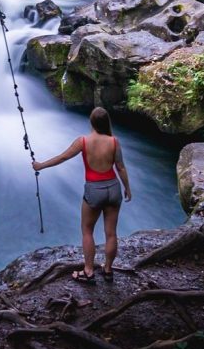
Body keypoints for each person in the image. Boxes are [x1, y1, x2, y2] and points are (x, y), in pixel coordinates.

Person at [32, 107, 132, 283]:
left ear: (91, 122)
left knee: (87, 231)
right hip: (113, 188)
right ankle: (108, 270)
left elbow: (62, 158)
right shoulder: (114, 141)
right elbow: (121, 167)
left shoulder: (83, 141)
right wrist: (127, 188)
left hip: (94, 190)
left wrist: (41, 165)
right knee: (111, 233)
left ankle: (88, 271)